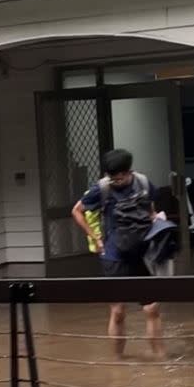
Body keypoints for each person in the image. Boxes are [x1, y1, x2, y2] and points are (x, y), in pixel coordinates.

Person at [72, 149, 164, 357]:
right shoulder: (102, 188)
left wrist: (156, 220)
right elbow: (77, 210)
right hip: (113, 255)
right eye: (112, 177)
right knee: (118, 311)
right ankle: (117, 363)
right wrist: (95, 238)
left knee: (152, 308)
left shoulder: (142, 182)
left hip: (141, 253)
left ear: (128, 171)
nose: (116, 181)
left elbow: (151, 208)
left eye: (120, 177)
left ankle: (161, 359)